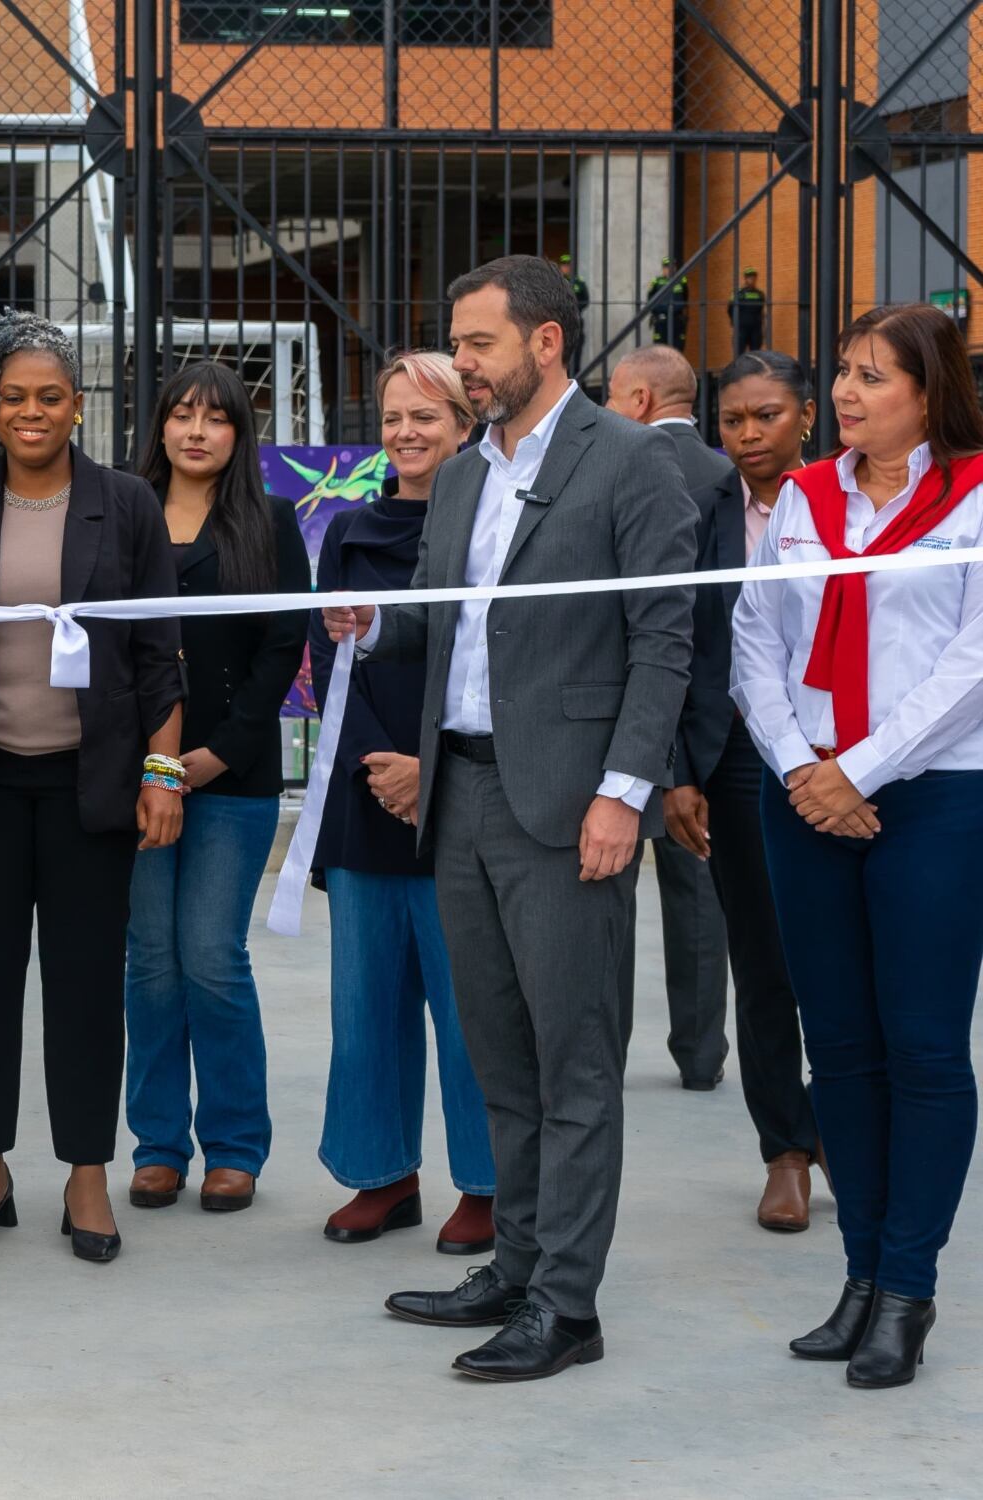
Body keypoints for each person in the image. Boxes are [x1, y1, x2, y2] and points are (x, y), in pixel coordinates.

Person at [324, 254, 694, 1382]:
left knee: (573, 1064)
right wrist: (372, 627)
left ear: (543, 344)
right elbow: (448, 624)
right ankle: (516, 1265)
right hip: (463, 795)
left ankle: (566, 1307)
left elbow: (662, 639)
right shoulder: (468, 476)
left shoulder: (629, 463)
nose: (460, 364)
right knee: (499, 1057)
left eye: (476, 344)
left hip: (568, 803)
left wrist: (621, 793)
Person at [0, 310, 183, 1265]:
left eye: (50, 396)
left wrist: (162, 772)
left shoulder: (127, 504)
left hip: (91, 788)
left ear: (78, 408)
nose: (31, 412)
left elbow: (158, 657)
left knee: (88, 985)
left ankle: (87, 1176)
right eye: (14, 397)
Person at [731, 303, 983, 1389]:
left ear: (925, 394)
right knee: (834, 1045)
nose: (842, 392)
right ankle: (858, 1277)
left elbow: (970, 665)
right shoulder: (801, 495)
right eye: (840, 371)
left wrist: (857, 771)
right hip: (806, 794)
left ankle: (906, 1285)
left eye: (870, 376)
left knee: (921, 1049)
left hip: (933, 797)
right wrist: (799, 768)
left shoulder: (974, 496)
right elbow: (752, 639)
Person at [308, 351, 496, 1256]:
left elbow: (483, 663)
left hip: (460, 792)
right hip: (363, 792)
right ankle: (382, 1175)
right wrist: (377, 769)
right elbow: (330, 665)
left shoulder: (492, 523)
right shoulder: (347, 530)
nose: (408, 434)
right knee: (367, 1001)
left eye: (429, 416)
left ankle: (488, 1184)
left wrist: (429, 769)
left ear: (466, 425)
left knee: (471, 1010)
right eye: (393, 418)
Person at [123, 363, 305, 1216]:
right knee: (151, 963)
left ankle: (235, 1147)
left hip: (233, 778)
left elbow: (281, 651)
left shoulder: (269, 522)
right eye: (182, 415)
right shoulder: (122, 517)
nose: (197, 431)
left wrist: (217, 755)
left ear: (240, 433)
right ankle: (158, 1146)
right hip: (135, 774)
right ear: (158, 426)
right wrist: (153, 762)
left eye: (216, 418)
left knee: (212, 959)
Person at [665, 350, 822, 1231]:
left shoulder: (842, 505)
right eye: (733, 420)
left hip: (838, 755)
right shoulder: (700, 513)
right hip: (730, 759)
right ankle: (786, 1152)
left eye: (766, 416)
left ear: (805, 415)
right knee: (760, 961)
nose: (749, 434)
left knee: (833, 952)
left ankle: (837, 1121)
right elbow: (677, 644)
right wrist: (681, 771)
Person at [605, 344, 734, 1089]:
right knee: (697, 897)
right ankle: (701, 1055)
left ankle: (606, 1053)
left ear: (643, 402)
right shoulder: (727, 482)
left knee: (607, 890)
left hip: (621, 714)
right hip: (706, 721)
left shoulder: (613, 470)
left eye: (615, 397)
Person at [557, 253, 589, 375]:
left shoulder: (578, 282)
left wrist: (574, 308)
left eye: (568, 265)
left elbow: (586, 300)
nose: (566, 267)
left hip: (576, 320)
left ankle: (577, 376)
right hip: (560, 320)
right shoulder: (557, 282)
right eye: (564, 265)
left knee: (577, 351)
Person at [647, 257, 689, 348]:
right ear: (663, 269)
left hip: (676, 318)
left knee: (678, 347)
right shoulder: (656, 281)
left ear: (675, 267)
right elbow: (650, 300)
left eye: (672, 266)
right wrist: (656, 313)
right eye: (667, 267)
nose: (670, 269)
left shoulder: (682, 280)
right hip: (661, 319)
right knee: (660, 347)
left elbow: (685, 297)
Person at [730, 268, 767, 357]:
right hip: (741, 328)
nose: (752, 280)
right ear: (745, 279)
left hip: (756, 329)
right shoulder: (738, 294)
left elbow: (761, 311)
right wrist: (734, 323)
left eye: (754, 277)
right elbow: (730, 309)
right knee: (739, 354)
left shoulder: (760, 294)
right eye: (750, 277)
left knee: (756, 354)